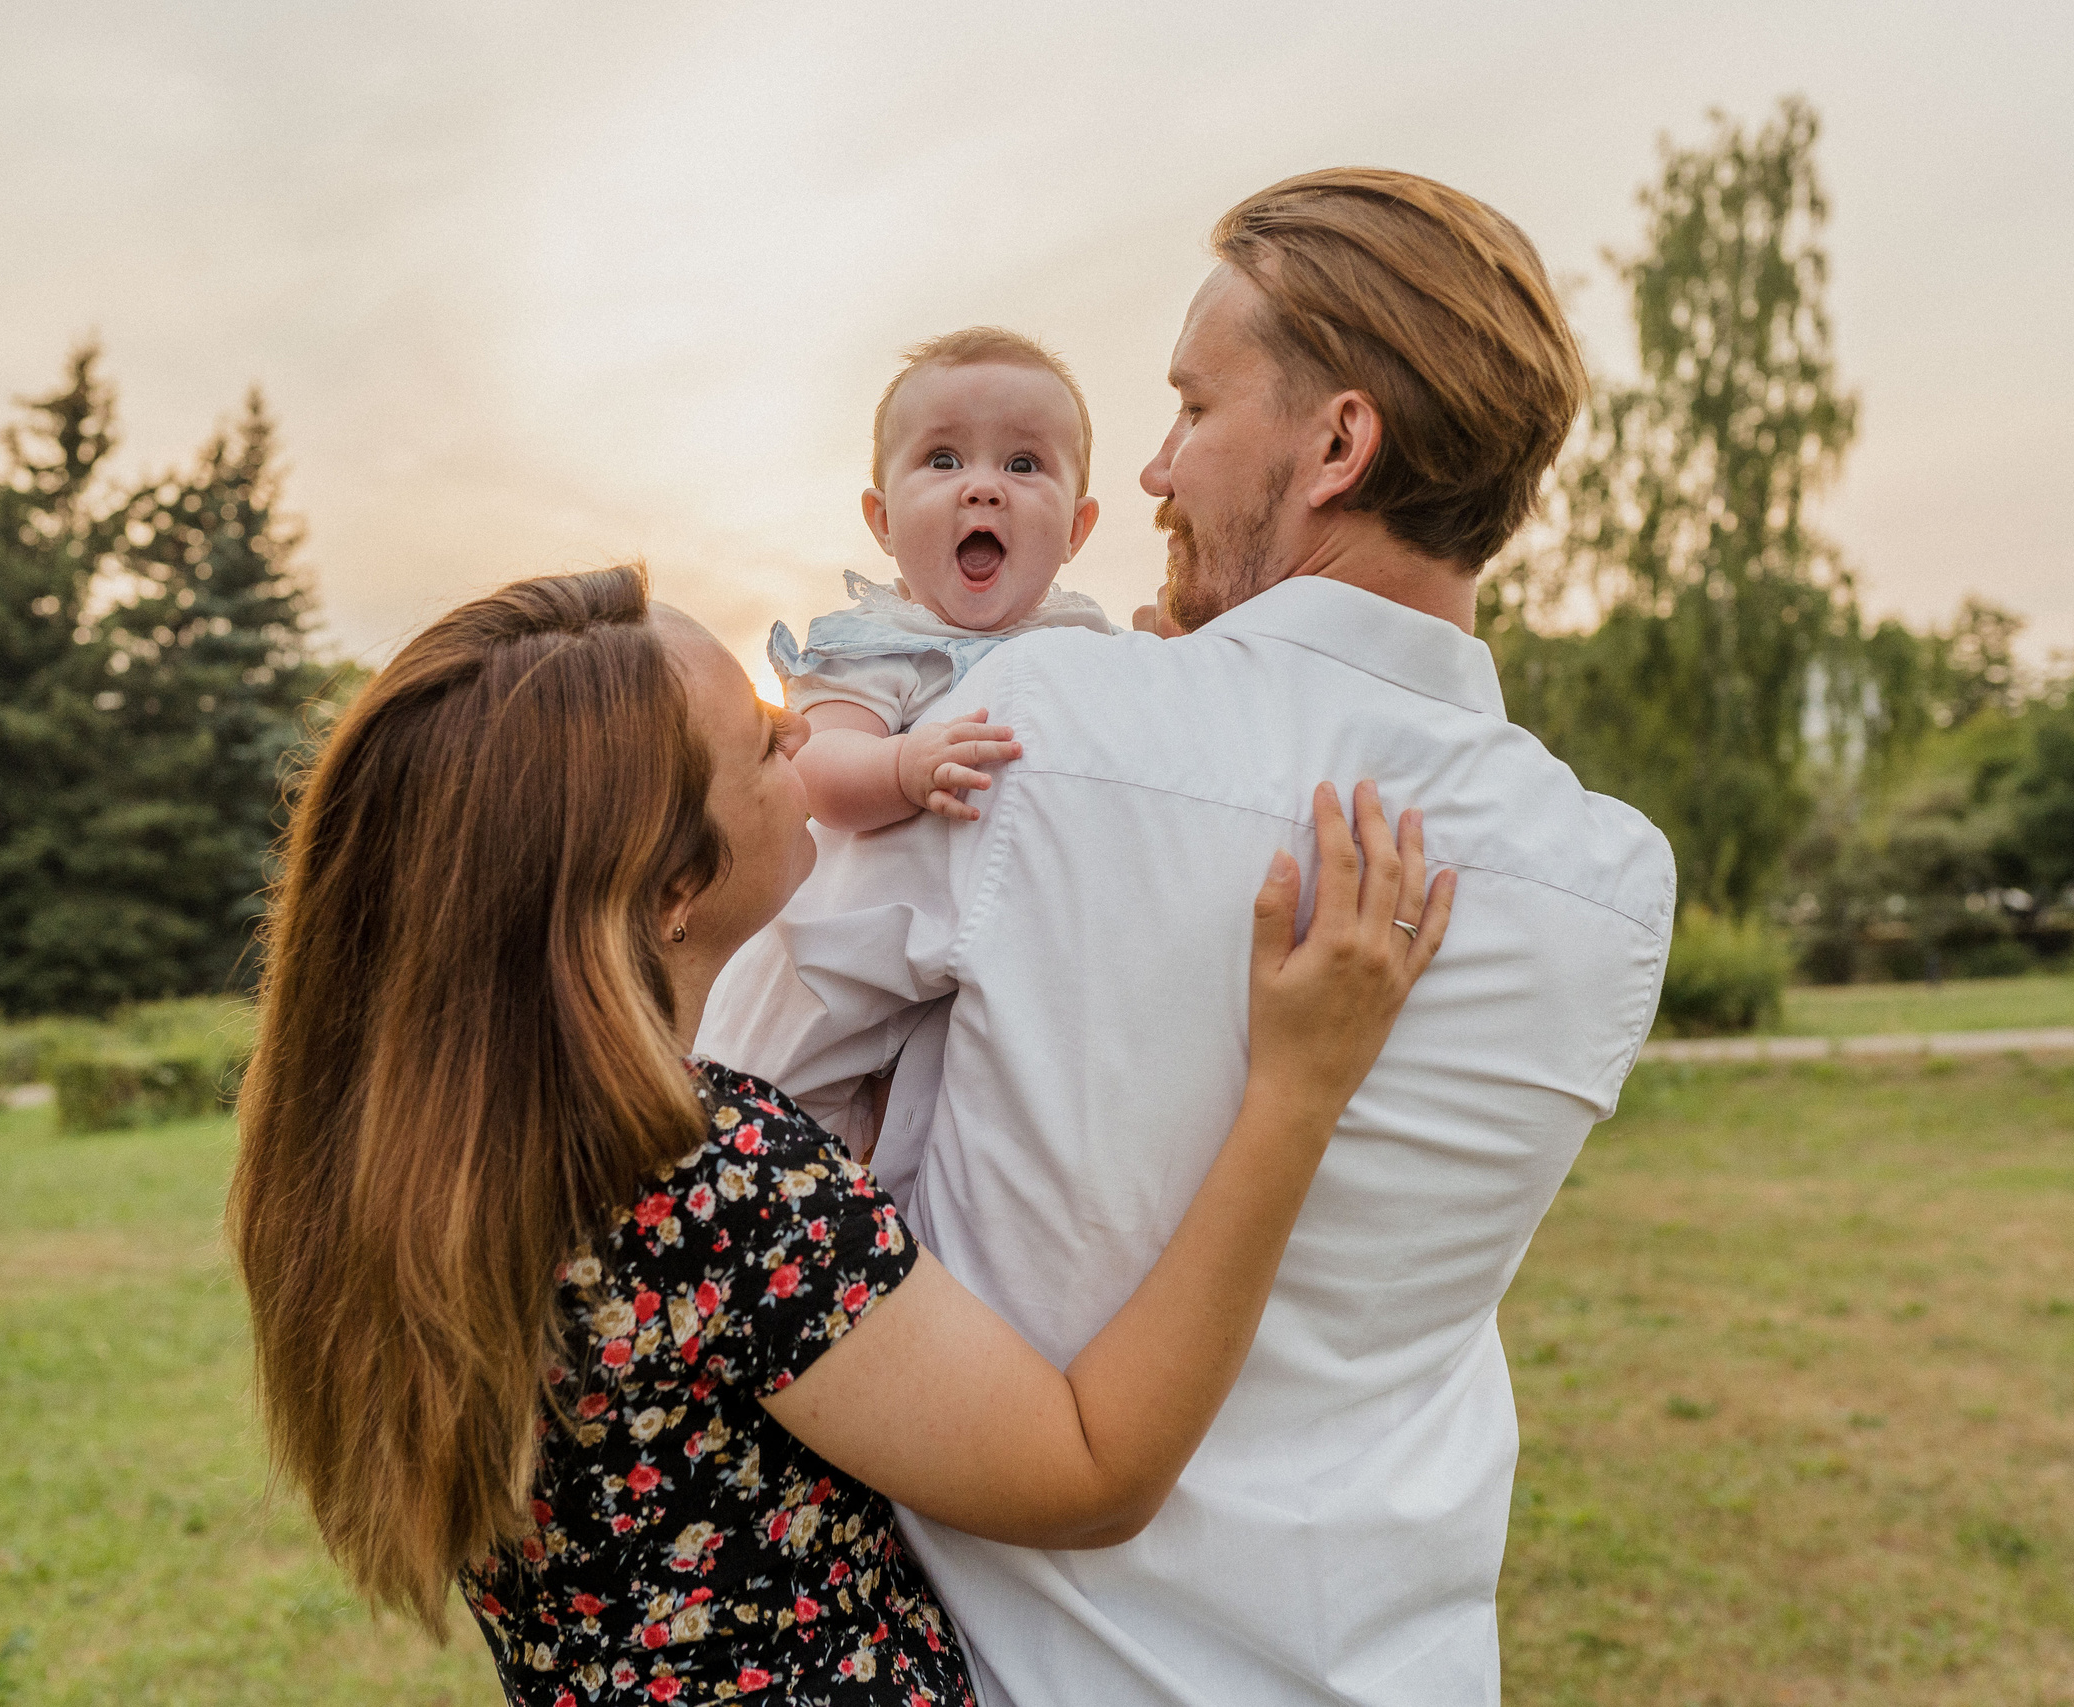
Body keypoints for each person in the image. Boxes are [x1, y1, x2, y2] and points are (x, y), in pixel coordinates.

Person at [697, 169, 1678, 1705]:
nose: (1149, 472)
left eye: (1192, 409)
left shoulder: (1039, 732)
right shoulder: (1613, 882)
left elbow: (724, 1102)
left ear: (1336, 446)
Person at [225, 563, 1453, 1704]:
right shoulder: (708, 1184)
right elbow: (1093, 1471)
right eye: (762, 742)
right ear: (668, 894)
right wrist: (1298, 1087)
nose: (804, 731)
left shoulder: (432, 1161)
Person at [771, 327, 1111, 832]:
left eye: (1022, 464)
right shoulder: (884, 648)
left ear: (1074, 530)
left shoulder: (1086, 634)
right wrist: (900, 768)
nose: (982, 488)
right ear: (884, 520)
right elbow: (818, 770)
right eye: (943, 460)